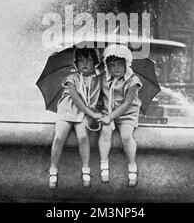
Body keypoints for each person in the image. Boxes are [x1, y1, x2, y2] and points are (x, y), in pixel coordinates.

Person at [48, 47, 103, 189]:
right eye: (80, 60)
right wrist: (92, 114)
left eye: (88, 60)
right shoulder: (71, 78)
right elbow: (77, 100)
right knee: (59, 137)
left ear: (95, 62)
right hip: (67, 110)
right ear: (76, 64)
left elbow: (99, 98)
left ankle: (86, 170)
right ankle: (53, 169)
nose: (84, 63)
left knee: (83, 137)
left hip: (84, 114)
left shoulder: (98, 80)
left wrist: (99, 111)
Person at [97, 44, 142, 188]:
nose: (116, 68)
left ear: (126, 63)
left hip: (126, 113)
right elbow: (98, 95)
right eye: (111, 65)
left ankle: (132, 165)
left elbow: (127, 104)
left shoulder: (132, 80)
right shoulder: (103, 78)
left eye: (119, 64)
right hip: (108, 111)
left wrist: (110, 117)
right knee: (105, 132)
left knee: (126, 136)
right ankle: (104, 163)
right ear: (106, 66)